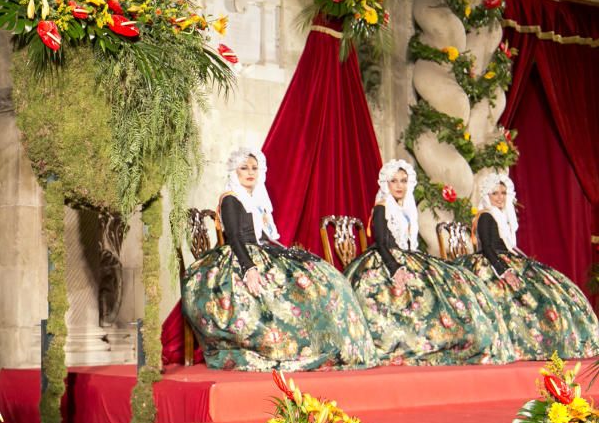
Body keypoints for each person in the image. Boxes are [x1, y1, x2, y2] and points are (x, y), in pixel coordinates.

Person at [182, 148, 378, 371]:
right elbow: (235, 237)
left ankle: (323, 345)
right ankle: (282, 347)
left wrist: (287, 253)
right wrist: (249, 268)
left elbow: (263, 237)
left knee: (322, 275)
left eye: (254, 168)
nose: (250, 173)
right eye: (244, 168)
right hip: (240, 258)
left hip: (261, 252)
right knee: (278, 291)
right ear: (233, 171)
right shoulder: (230, 199)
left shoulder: (256, 200)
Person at [343, 160, 515, 366]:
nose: (399, 185)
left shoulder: (405, 209)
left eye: (404, 181)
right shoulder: (381, 208)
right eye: (394, 181)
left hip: (406, 256)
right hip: (386, 261)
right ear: (386, 184)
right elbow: (381, 243)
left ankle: (443, 340)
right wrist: (395, 268)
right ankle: (404, 344)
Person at [455, 173, 599, 360]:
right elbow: (488, 248)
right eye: (495, 193)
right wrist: (503, 270)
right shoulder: (486, 216)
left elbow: (508, 246)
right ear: (487, 196)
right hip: (493, 263)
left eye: (503, 193)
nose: (499, 197)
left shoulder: (502, 216)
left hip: (507, 259)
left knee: (548, 288)